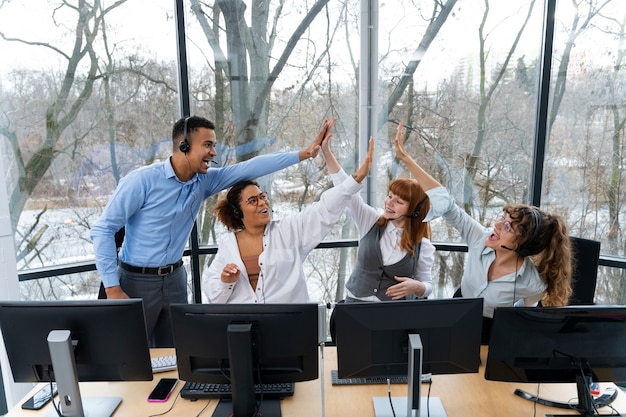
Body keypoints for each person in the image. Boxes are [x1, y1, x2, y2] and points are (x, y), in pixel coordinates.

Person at [90, 115, 333, 346]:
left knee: (173, 355)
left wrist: (305, 154)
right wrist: (112, 287)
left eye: (214, 145)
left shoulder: (204, 181)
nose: (213, 153)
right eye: (207, 145)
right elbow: (103, 229)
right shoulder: (141, 181)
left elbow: (251, 167)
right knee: (128, 355)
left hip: (174, 279)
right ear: (184, 146)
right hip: (135, 280)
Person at [393, 121, 573, 342]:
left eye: (507, 227)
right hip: (456, 313)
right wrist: (406, 159)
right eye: (502, 218)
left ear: (523, 245)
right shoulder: (480, 238)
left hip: (490, 333)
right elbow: (447, 203)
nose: (496, 225)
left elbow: (526, 317)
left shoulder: (532, 283)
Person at [204, 121, 374, 304]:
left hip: (289, 325)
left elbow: (325, 208)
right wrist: (225, 282)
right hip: (243, 327)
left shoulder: (289, 230)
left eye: (263, 196)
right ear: (238, 212)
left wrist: (357, 178)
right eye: (253, 201)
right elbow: (215, 297)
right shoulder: (228, 244)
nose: (262, 202)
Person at [321, 127, 435, 302]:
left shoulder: (423, 245)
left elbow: (426, 283)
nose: (389, 202)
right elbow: (345, 189)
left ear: (414, 210)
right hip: (354, 309)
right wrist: (326, 152)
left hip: (393, 316)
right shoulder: (370, 220)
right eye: (390, 196)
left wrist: (418, 287)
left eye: (399, 201)